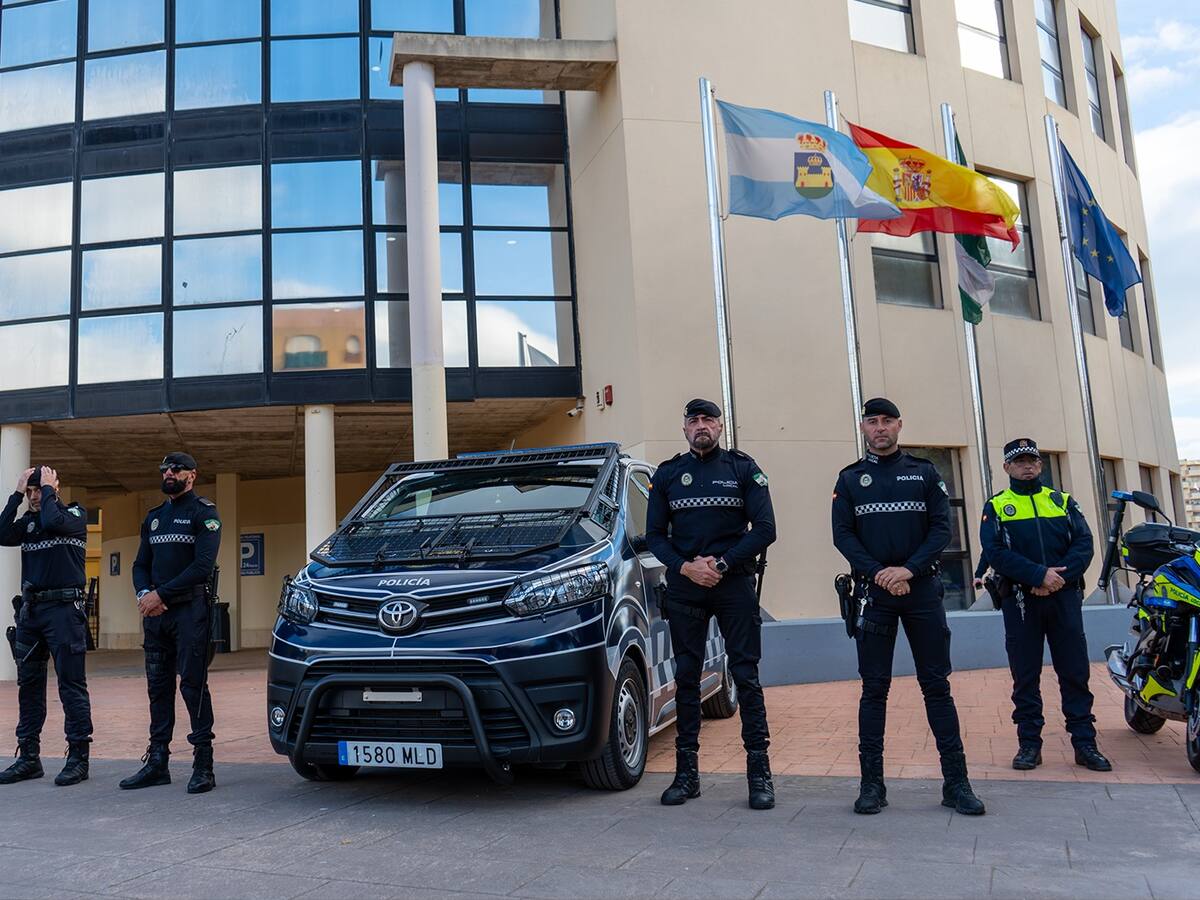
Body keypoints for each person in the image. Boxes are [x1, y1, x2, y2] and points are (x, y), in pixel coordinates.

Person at [832, 398, 984, 816]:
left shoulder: (925, 473)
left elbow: (941, 529)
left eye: (887, 421)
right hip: (874, 594)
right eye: (872, 421)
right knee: (874, 690)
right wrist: (881, 573)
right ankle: (871, 786)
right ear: (864, 427)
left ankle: (957, 784)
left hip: (921, 593)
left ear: (899, 425)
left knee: (936, 686)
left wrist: (909, 571)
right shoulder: (850, 479)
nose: (879, 428)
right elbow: (843, 535)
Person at [646, 399, 777, 810]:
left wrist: (720, 564)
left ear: (720, 426)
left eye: (708, 420)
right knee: (687, 678)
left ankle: (760, 777)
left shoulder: (742, 469)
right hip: (686, 588)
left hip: (733, 583)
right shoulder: (667, 475)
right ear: (684, 428)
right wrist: (686, 568)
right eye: (693, 420)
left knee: (746, 677)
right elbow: (654, 536)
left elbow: (766, 529)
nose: (701, 426)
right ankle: (686, 777)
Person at [980, 438, 1111, 772]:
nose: (1027, 466)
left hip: (1064, 598)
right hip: (1021, 600)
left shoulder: (1062, 501)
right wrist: (1038, 576)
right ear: (1007, 467)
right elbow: (995, 552)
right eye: (1020, 461)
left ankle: (1085, 744)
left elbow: (1084, 544)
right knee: (1025, 675)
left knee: (1075, 672)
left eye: (1032, 461)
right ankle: (1029, 744)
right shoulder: (997, 506)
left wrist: (1058, 580)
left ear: (1040, 465)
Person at [120, 452, 221, 794]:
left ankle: (203, 764)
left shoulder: (204, 513)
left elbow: (202, 567)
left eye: (175, 469)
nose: (168, 473)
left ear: (191, 475)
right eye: (164, 468)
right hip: (156, 617)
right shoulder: (154, 518)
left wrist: (160, 595)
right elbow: (139, 565)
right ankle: (157, 762)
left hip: (189, 612)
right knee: (157, 688)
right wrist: (144, 594)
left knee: (192, 685)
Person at [0, 466, 93, 786]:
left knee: (71, 684)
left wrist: (50, 491)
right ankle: (28, 757)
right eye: (30, 491)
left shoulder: (74, 515)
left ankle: (78, 757)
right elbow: (0, 534)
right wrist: (14, 494)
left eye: (39, 490)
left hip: (64, 611)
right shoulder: (26, 522)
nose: (34, 496)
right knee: (29, 685)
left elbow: (54, 521)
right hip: (32, 611)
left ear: (54, 488)